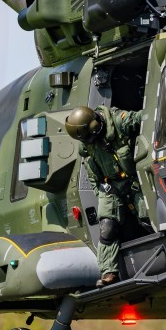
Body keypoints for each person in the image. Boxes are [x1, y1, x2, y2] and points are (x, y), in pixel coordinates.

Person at [65, 104, 145, 286]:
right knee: (107, 227)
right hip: (110, 185)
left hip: (135, 179)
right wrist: (100, 193)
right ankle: (109, 272)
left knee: (146, 216)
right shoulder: (86, 145)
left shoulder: (119, 121)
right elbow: (92, 170)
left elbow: (145, 117)